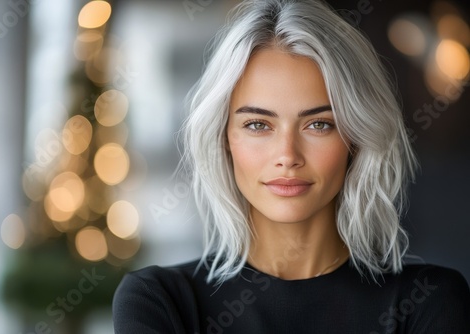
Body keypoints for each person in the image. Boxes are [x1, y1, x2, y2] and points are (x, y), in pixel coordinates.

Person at [112, 0, 470, 333]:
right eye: (258, 125)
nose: (287, 155)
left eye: (319, 124)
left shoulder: (429, 301)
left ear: (356, 140)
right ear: (223, 138)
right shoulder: (160, 301)